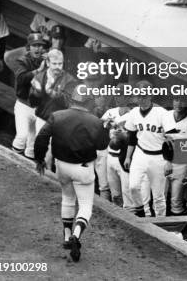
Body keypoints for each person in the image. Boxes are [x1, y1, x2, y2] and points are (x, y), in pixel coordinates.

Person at [34, 85, 110, 262]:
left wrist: (39, 159)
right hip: (83, 168)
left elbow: (41, 137)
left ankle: (67, 236)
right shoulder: (95, 121)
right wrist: (105, 128)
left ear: (72, 99)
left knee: (67, 199)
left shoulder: (57, 116)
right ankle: (76, 234)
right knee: (85, 206)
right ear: (89, 101)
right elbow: (101, 146)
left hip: (62, 167)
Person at [124, 80, 176, 217]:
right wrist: (128, 156)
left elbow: (172, 138)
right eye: (139, 96)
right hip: (140, 154)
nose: (141, 99)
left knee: (158, 196)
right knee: (133, 187)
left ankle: (161, 224)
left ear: (151, 95)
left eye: (145, 95)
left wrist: (169, 161)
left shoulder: (162, 113)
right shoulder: (134, 112)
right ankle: (141, 214)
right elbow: (132, 137)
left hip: (159, 156)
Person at [12, 32, 45, 158]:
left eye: (40, 45)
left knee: (34, 144)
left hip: (38, 108)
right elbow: (21, 79)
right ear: (28, 47)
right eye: (34, 45)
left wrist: (52, 59)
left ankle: (27, 173)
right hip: (23, 106)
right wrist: (38, 71)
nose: (38, 48)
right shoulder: (22, 61)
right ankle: (12, 163)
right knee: (22, 136)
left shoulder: (46, 61)